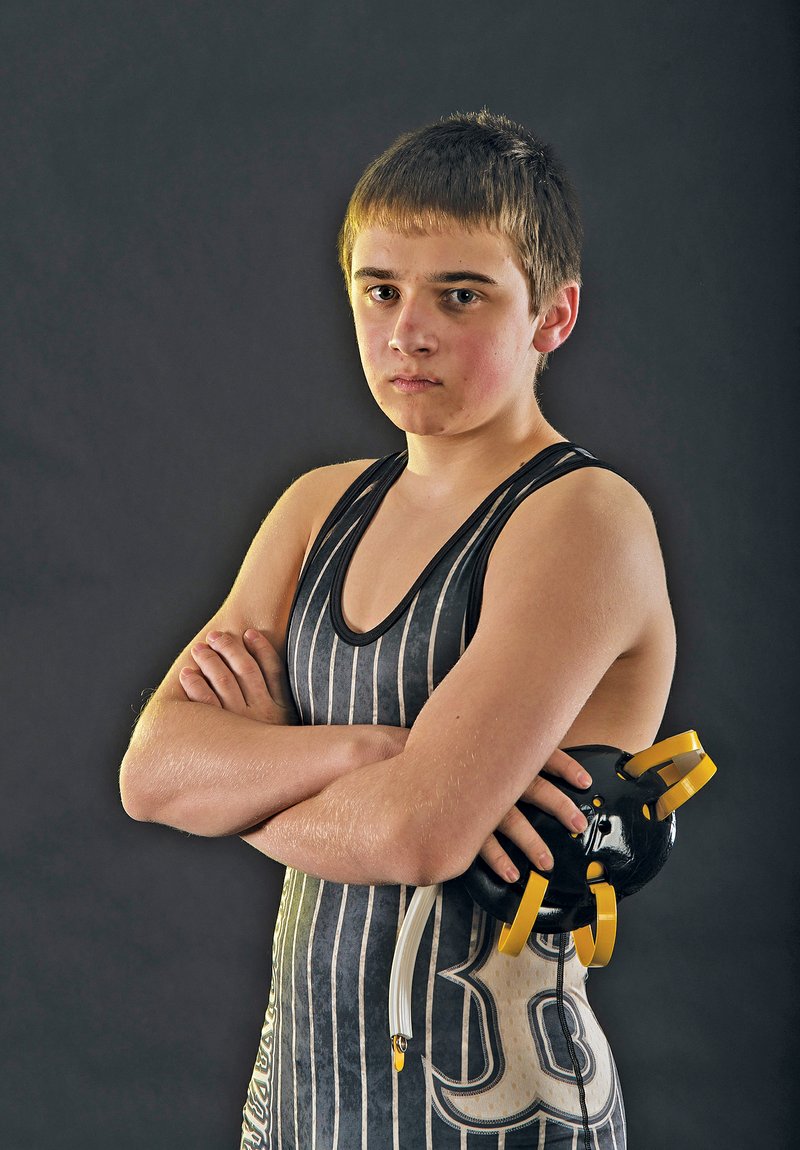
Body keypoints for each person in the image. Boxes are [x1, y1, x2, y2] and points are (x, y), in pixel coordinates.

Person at [119, 110, 676, 1149]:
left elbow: (414, 834)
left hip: (498, 1115)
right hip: (292, 1104)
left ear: (551, 317)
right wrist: (368, 753)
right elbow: (151, 773)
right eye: (379, 289)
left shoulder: (582, 520)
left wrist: (246, 780)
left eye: (458, 295)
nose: (405, 329)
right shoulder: (314, 509)